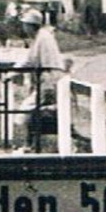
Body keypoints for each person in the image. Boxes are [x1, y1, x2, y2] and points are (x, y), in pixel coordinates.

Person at [19, 9, 70, 151]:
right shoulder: (41, 37)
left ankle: (30, 144)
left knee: (27, 109)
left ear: (31, 25)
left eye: (25, 25)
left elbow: (31, 60)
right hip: (47, 79)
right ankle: (31, 143)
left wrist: (14, 71)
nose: (24, 28)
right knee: (31, 110)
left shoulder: (43, 38)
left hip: (49, 79)